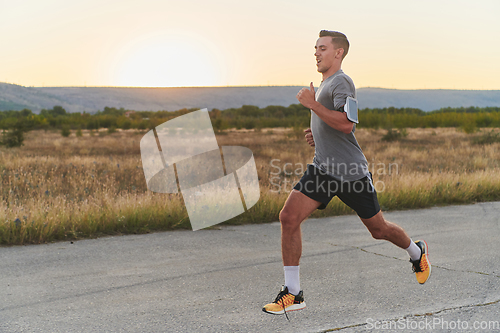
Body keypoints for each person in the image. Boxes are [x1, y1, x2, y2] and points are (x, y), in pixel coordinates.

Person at [262, 30, 431, 316]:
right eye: (315, 48)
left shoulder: (342, 81)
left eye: (322, 48)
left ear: (338, 53)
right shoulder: (326, 83)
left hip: (350, 172)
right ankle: (293, 293)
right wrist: (317, 134)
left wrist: (312, 104)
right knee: (288, 217)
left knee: (379, 230)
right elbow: (333, 125)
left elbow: (347, 124)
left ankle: (417, 252)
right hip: (323, 169)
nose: (316, 52)